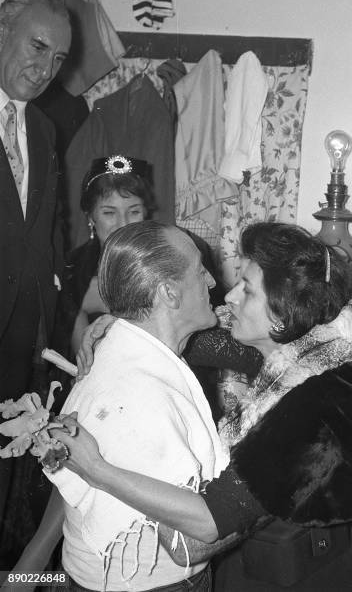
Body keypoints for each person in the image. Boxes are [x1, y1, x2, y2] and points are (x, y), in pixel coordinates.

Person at [46, 222, 352, 591]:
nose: (227, 296)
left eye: (246, 288)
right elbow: (203, 341)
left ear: (281, 314)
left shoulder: (315, 403)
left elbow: (207, 524)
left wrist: (96, 467)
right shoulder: (315, 345)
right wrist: (121, 321)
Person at [15, 221, 229, 591]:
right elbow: (196, 536)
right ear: (168, 293)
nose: (212, 282)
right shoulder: (143, 390)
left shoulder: (121, 351)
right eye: (200, 272)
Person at [0, 0, 71, 567]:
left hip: (23, 343)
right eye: (38, 46)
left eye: (57, 59)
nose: (45, 69)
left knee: (6, 477)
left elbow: (47, 237)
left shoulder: (44, 130)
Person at [53, 154, 225, 360]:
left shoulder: (181, 248)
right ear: (90, 217)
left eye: (133, 211)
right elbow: (83, 357)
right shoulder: (72, 268)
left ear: (146, 212)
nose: (123, 223)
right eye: (109, 213)